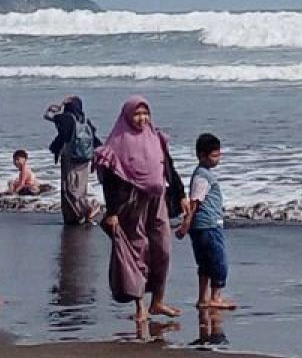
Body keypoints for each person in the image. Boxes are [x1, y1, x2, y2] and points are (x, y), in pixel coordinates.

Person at [94, 96, 189, 322]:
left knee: (162, 249)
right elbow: (110, 178)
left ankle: (158, 301)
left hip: (158, 199)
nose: (142, 118)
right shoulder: (117, 142)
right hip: (131, 201)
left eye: (145, 113)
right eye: (137, 114)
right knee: (137, 248)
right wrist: (113, 212)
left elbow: (168, 167)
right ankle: (140, 305)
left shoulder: (156, 137)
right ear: (127, 115)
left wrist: (181, 194)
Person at [175, 133, 235, 310]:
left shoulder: (202, 174)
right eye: (214, 156)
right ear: (202, 155)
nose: (218, 159)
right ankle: (215, 297)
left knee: (205, 263)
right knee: (218, 261)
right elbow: (195, 202)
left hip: (202, 226)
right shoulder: (203, 176)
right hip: (208, 225)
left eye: (218, 155)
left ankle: (203, 298)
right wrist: (186, 224)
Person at [45, 96, 101, 224]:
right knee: (81, 189)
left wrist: (57, 107)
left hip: (71, 158)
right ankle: (81, 215)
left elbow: (47, 116)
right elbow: (96, 140)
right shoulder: (86, 121)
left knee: (68, 189)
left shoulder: (65, 119)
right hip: (85, 159)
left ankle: (86, 210)